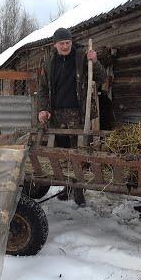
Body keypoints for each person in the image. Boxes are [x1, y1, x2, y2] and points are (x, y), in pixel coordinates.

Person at [37, 27, 107, 205]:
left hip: (78, 113)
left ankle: (78, 190)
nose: (66, 46)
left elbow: (101, 77)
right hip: (57, 114)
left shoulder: (81, 57)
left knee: (78, 152)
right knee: (62, 152)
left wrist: (95, 61)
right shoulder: (48, 62)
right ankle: (67, 186)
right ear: (55, 45)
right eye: (62, 43)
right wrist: (42, 109)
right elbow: (43, 89)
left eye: (68, 42)